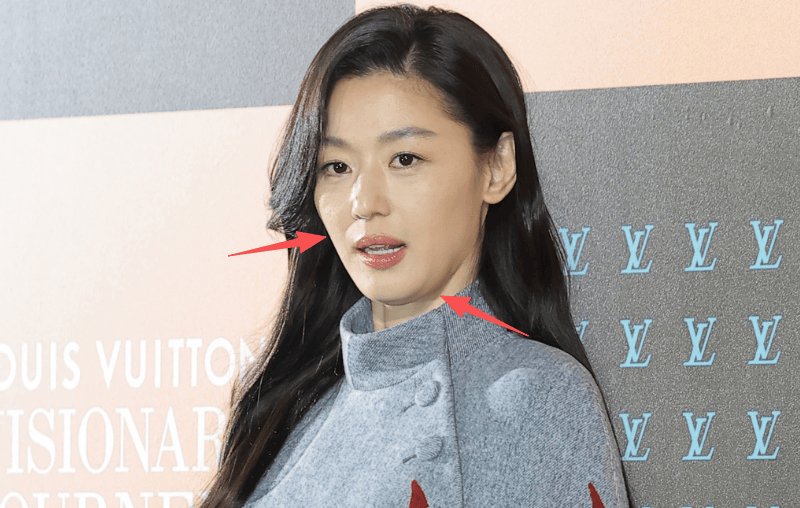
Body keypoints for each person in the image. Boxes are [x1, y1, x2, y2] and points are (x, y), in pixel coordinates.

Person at [202, 4, 631, 507]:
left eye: (404, 159)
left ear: (497, 167)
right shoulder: (288, 408)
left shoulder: (537, 399)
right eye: (336, 166)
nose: (364, 202)